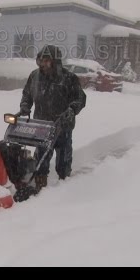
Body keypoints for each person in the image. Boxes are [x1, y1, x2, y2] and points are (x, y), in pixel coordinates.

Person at [19, 44, 86, 191]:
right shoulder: (35, 76)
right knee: (41, 159)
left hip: (63, 126)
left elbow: (80, 98)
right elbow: (27, 94)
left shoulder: (69, 78)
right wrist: (25, 106)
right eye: (40, 61)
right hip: (42, 126)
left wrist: (72, 110)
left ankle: (64, 186)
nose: (42, 65)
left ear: (55, 61)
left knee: (63, 160)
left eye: (46, 61)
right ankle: (39, 187)